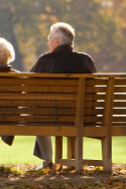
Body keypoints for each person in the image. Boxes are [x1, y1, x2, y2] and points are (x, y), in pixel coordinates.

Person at [30, 22, 97, 170]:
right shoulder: (86, 60)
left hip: (52, 117)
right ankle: (64, 161)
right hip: (85, 116)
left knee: (37, 110)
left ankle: (48, 162)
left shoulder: (45, 61)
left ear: (56, 41)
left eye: (49, 39)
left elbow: (28, 86)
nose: (48, 42)